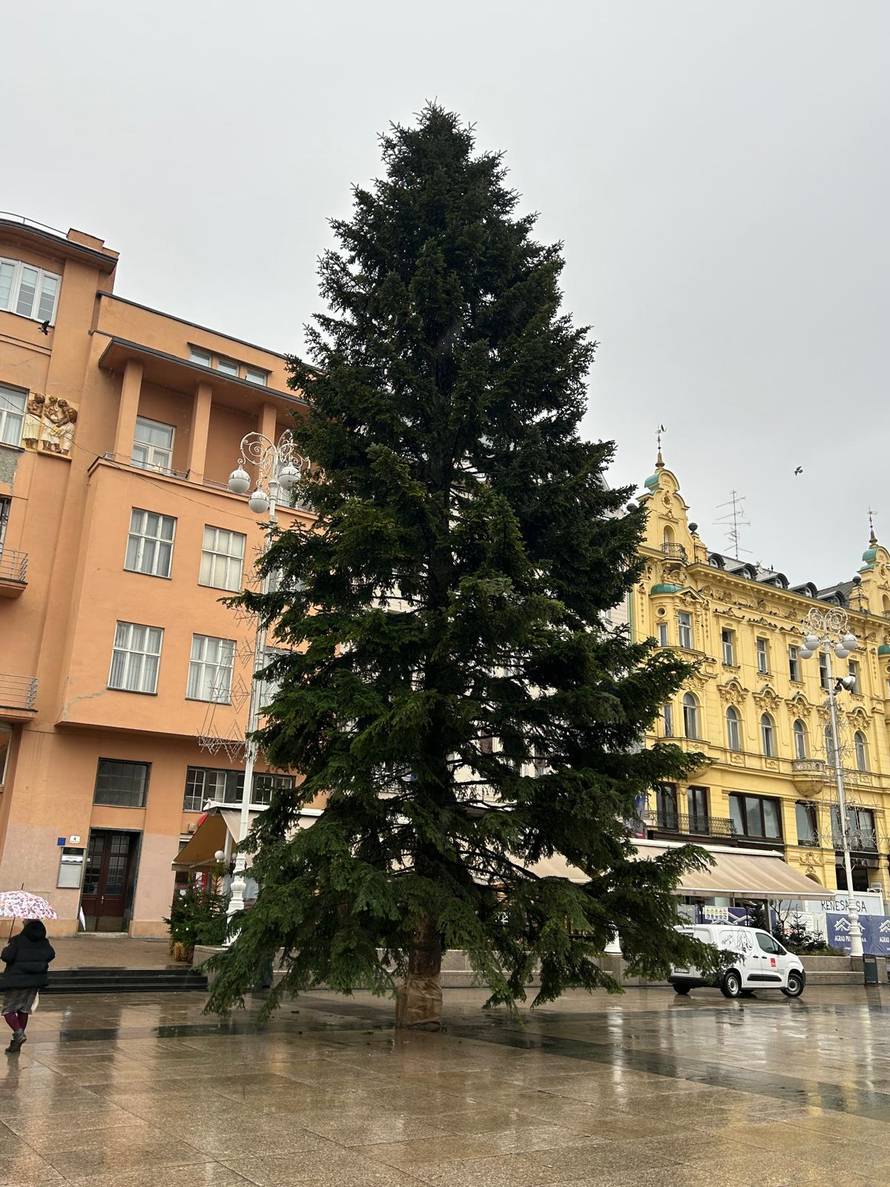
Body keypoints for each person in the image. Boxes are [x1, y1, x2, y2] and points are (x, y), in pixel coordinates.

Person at [0, 920, 55, 1053]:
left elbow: (6, 957)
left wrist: (6, 947)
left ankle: (18, 1034)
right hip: (34, 982)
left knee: (8, 1010)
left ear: (26, 927)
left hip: (16, 981)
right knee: (23, 1010)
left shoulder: (17, 940)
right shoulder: (44, 942)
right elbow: (51, 955)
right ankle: (16, 1043)